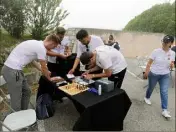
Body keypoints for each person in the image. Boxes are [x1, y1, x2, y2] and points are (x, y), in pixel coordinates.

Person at [1, 34, 60, 111]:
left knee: (27, 91)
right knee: (16, 98)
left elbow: (33, 61)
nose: (53, 48)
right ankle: (17, 119)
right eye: (54, 46)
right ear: (52, 42)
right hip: (12, 70)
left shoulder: (37, 44)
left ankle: (23, 111)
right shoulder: (41, 48)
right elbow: (44, 65)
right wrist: (50, 78)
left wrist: (44, 71)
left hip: (16, 70)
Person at [143, 35, 175, 118]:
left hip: (165, 75)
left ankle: (164, 110)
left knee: (164, 91)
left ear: (171, 43)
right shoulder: (156, 51)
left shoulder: (173, 53)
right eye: (163, 42)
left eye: (166, 42)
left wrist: (172, 66)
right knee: (151, 88)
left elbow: (171, 65)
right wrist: (146, 72)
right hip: (154, 74)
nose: (164, 43)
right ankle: (147, 97)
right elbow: (149, 63)